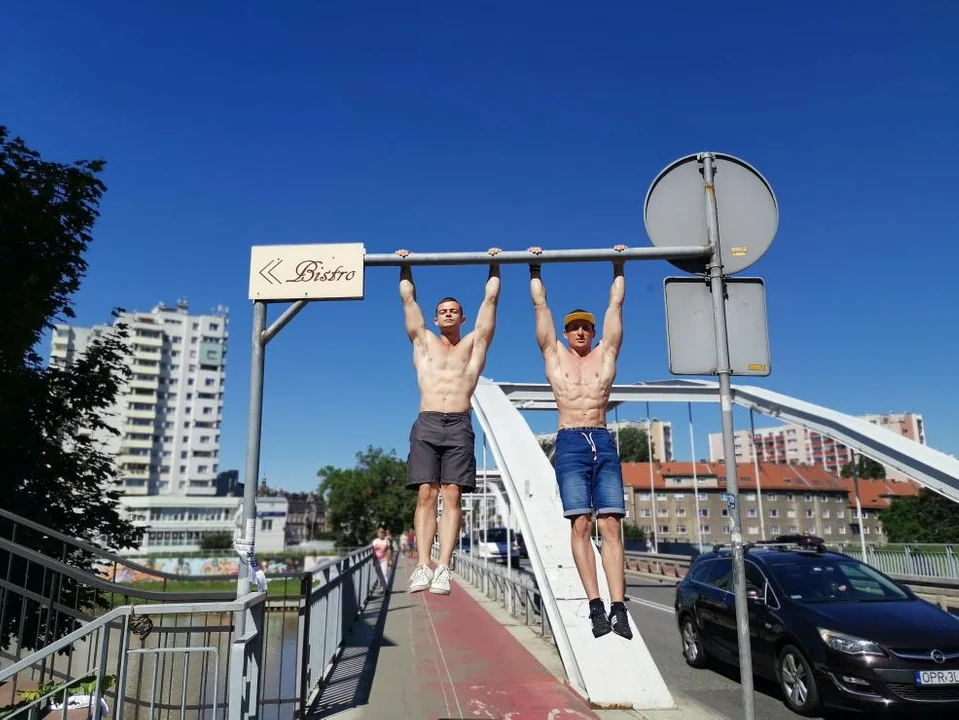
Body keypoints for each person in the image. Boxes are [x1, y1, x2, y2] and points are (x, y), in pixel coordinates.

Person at [528, 244, 632, 639]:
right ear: (567, 333)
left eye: (586, 326)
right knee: (581, 523)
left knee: (610, 525)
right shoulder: (555, 355)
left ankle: (618, 607)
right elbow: (541, 310)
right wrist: (535, 267)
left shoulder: (606, 355)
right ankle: (595, 607)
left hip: (603, 439)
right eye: (574, 327)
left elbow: (616, 306)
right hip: (570, 440)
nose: (581, 331)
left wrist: (619, 264)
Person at [397, 247, 502, 595]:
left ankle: (444, 566)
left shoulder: (474, 344)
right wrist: (405, 265)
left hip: (459, 422)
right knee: (426, 493)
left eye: (454, 311)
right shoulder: (423, 342)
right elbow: (409, 301)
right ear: (437, 317)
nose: (447, 314)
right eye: (442, 311)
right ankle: (423, 565)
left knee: (452, 493)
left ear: (461, 317)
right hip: (427, 420)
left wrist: (494, 264)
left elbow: (490, 303)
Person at [372, 527, 393, 594]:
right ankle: (381, 588)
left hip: (384, 560)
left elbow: (389, 550)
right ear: (377, 533)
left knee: (384, 574)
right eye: (380, 532)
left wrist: (390, 560)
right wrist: (373, 561)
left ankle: (385, 589)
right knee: (379, 575)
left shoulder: (386, 541)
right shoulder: (375, 541)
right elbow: (373, 552)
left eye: (383, 532)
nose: (382, 533)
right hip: (377, 560)